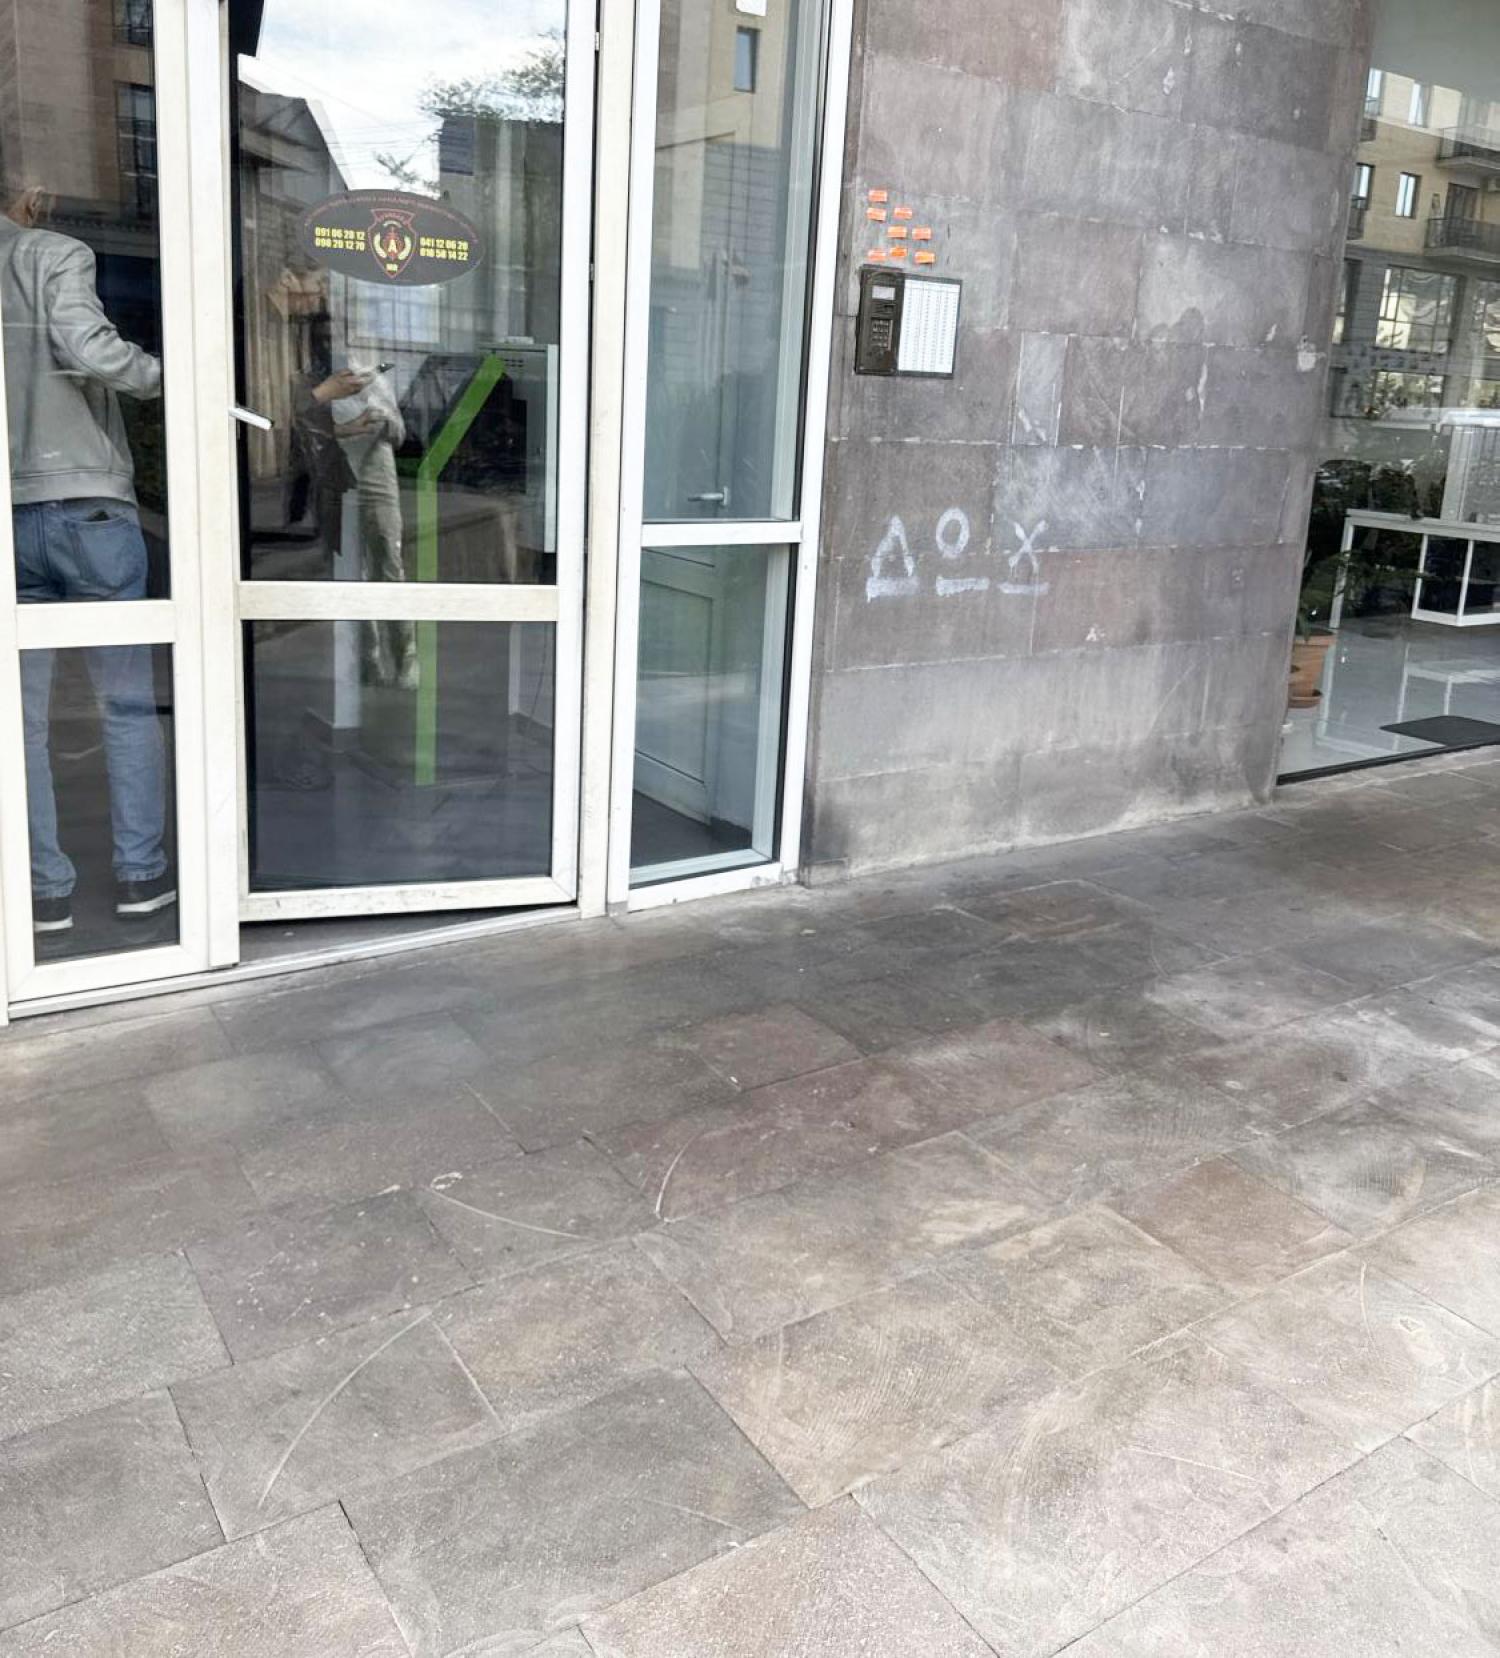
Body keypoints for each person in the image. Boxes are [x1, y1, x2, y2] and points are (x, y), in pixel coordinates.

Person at [1, 178, 174, 933]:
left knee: (21, 719)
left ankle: (46, 892)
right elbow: (86, 346)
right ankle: (140, 877)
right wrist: (172, 378)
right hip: (87, 505)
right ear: (33, 198)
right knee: (126, 702)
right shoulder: (53, 252)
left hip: (10, 512)